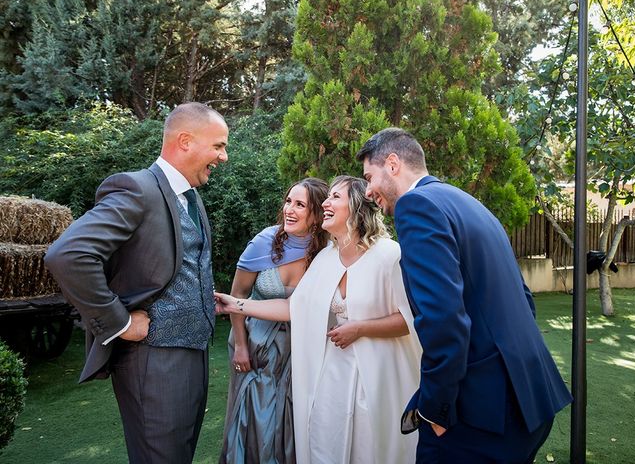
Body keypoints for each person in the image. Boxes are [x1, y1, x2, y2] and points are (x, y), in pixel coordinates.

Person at [356, 127, 573, 464]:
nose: (368, 191)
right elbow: (524, 298)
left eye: (369, 176)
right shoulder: (468, 203)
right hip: (530, 397)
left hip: (480, 414)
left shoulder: (417, 206)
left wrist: (437, 410)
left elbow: (443, 319)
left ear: (394, 163)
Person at [44, 102, 228, 463]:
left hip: (193, 355)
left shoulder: (190, 198)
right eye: (219, 145)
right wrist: (121, 322)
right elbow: (68, 255)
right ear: (185, 141)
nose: (223, 157)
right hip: (154, 363)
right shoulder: (137, 189)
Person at [215, 176, 421, 464]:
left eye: (335, 197)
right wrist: (236, 304)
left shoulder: (389, 255)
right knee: (328, 445)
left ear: (357, 206)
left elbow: (410, 320)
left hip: (377, 375)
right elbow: (292, 308)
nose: (326, 202)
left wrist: (360, 329)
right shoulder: (326, 258)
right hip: (333, 373)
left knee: (372, 448)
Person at [220, 177, 329, 464]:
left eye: (300, 205)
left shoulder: (324, 253)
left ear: (317, 213)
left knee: (291, 418)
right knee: (256, 414)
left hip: (300, 350)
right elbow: (237, 295)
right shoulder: (263, 243)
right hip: (256, 346)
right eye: (288, 201)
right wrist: (241, 346)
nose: (289, 210)